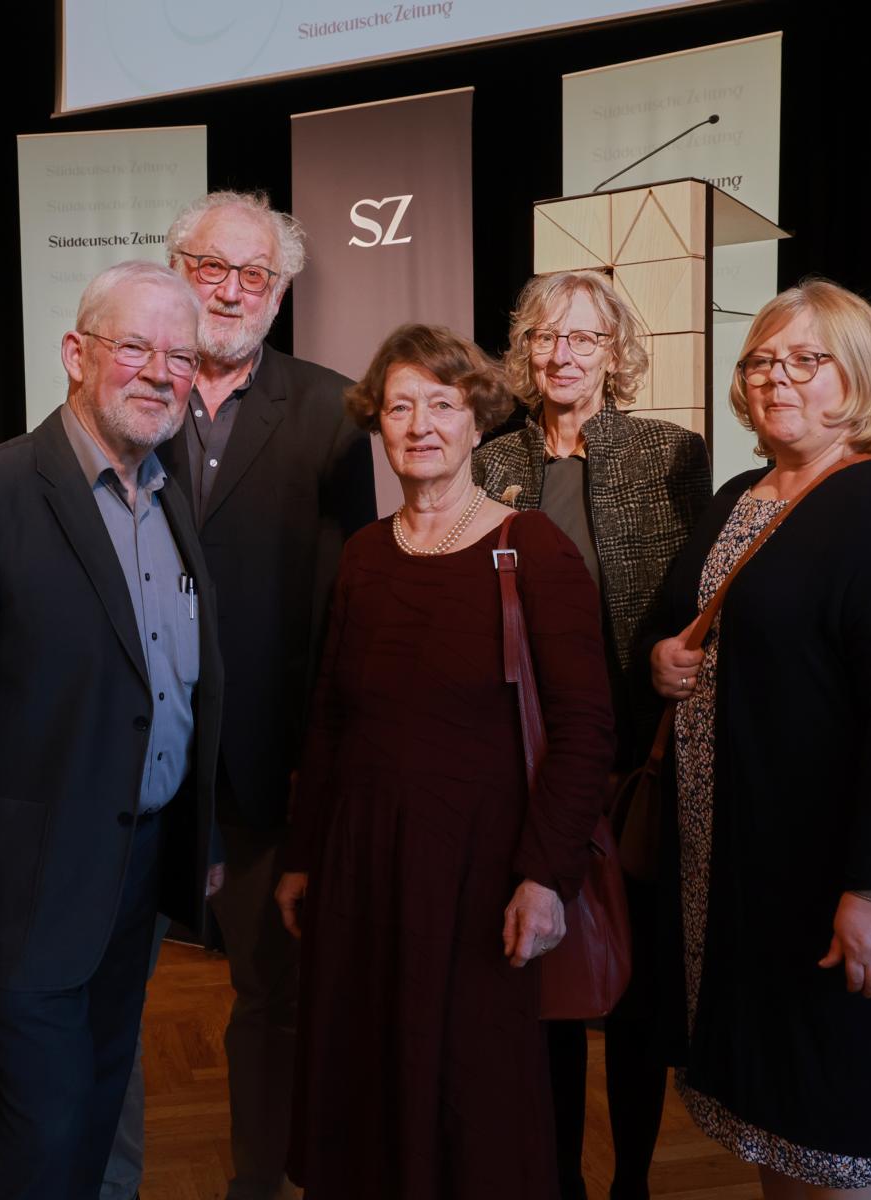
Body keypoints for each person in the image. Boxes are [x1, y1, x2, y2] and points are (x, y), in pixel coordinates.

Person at [0, 260, 224, 1199]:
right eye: (135, 347)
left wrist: (201, 832)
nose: (161, 371)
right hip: (23, 887)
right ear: (76, 355)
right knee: (47, 1130)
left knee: (96, 1105)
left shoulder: (171, 494)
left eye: (182, 356)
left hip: (139, 871)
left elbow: (178, 685)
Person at [646, 279, 871, 1198]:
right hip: (746, 880)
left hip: (838, 882)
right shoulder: (740, 497)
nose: (774, 378)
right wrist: (663, 658)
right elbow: (679, 625)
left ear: (857, 379)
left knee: (847, 1124)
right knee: (778, 1128)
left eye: (804, 360)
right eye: (759, 361)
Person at [276, 324, 615, 1199]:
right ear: (377, 427)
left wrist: (547, 877)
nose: (419, 424)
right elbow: (329, 719)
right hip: (361, 871)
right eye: (399, 407)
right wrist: (303, 856)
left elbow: (584, 730)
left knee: (477, 1103)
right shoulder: (361, 556)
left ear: (476, 423)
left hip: (483, 878)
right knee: (366, 1078)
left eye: (441, 404)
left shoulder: (532, 549)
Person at [111, 189, 372, 1200]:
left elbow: (336, 604)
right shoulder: (123, 390)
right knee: (104, 993)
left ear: (280, 292)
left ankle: (258, 1183)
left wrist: (319, 762)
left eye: (253, 275)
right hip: (130, 760)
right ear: (176, 266)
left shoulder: (331, 408)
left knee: (277, 998)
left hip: (267, 763)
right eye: (211, 267)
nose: (229, 289)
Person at [473, 269, 711, 1200]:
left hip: (636, 765)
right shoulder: (490, 462)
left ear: (617, 355)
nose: (564, 355)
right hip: (532, 767)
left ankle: (633, 1183)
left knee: (641, 993)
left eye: (585, 339)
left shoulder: (670, 453)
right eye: (546, 338)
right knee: (553, 987)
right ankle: (561, 1177)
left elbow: (699, 600)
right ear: (525, 353)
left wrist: (663, 654)